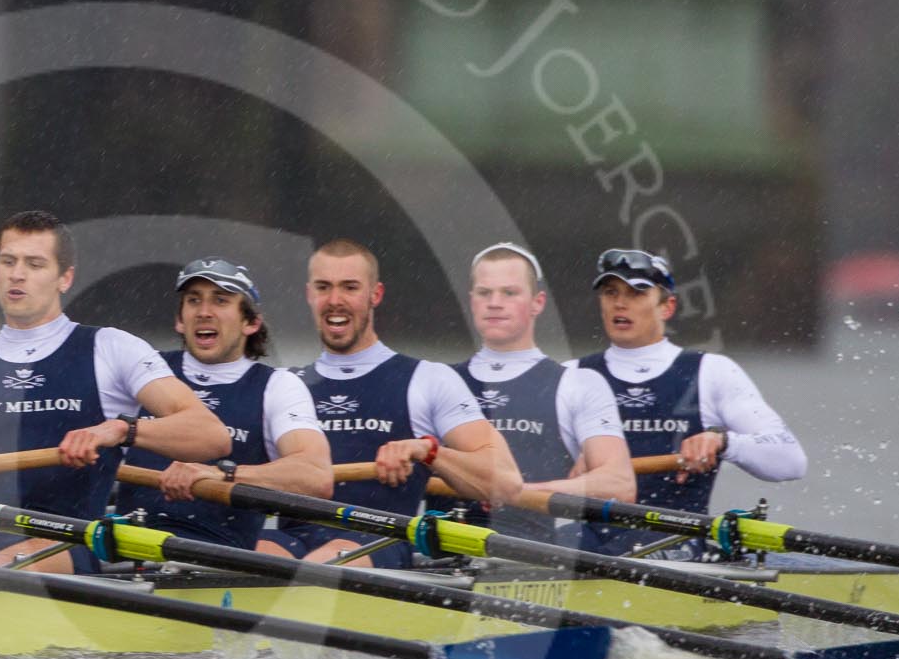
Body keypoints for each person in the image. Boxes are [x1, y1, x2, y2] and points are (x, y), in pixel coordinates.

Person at [0, 210, 228, 573]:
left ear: (65, 278)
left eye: (35, 264)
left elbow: (211, 435)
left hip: (68, 534)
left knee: (4, 567)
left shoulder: (110, 348)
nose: (17, 274)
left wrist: (121, 430)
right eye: (8, 261)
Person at [270, 238, 520, 568]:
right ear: (309, 295)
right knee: (252, 558)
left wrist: (427, 451)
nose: (334, 300)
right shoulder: (282, 383)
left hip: (377, 538)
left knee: (319, 568)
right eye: (323, 287)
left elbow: (505, 481)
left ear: (375, 295)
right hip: (291, 537)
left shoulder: (428, 379)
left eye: (349, 288)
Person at [571, 247, 807, 555]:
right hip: (585, 542)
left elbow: (791, 461)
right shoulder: (570, 376)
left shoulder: (711, 372)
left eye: (637, 293)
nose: (620, 303)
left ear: (667, 307)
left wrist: (723, 443)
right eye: (610, 292)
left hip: (675, 544)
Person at [108, 258, 330, 550]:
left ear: (251, 322)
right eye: (193, 300)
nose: (203, 312)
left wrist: (222, 474)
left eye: (220, 301)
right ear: (179, 320)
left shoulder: (278, 387)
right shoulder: (143, 372)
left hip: (218, 560)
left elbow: (316, 475)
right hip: (125, 553)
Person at [453, 242, 632, 542]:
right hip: (444, 562)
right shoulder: (435, 380)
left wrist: (520, 492)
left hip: (538, 561)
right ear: (471, 300)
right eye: (485, 293)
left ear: (538, 302)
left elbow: (619, 483)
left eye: (509, 293)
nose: (494, 303)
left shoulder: (577, 384)